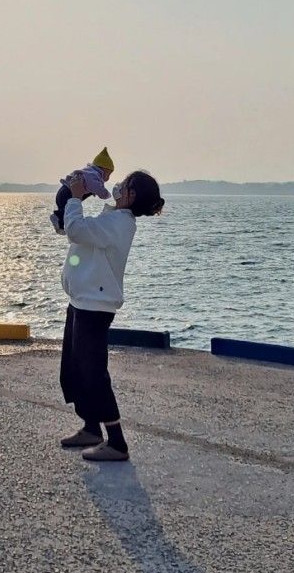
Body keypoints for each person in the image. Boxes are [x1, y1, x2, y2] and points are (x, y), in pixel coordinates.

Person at [59, 169, 164, 461]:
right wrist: (67, 214)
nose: (117, 187)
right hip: (82, 301)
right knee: (75, 368)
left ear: (131, 196)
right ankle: (91, 428)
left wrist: (76, 197)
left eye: (125, 185)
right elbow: (79, 234)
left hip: (95, 306)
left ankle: (117, 442)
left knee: (93, 373)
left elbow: (78, 230)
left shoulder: (120, 223)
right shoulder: (113, 220)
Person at [50, 147, 114, 234]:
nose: (108, 178)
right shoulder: (93, 175)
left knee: (66, 211)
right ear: (103, 170)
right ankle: (56, 217)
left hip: (62, 191)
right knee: (66, 210)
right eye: (109, 174)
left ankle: (60, 226)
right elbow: (97, 188)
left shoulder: (88, 172)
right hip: (67, 193)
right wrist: (106, 194)